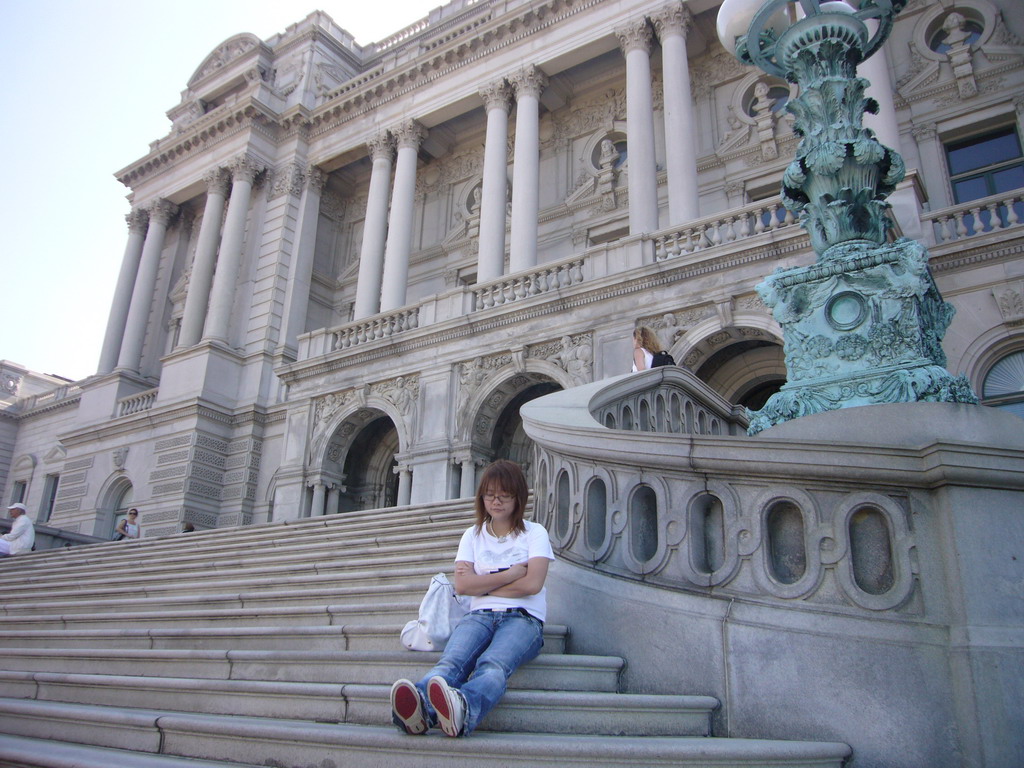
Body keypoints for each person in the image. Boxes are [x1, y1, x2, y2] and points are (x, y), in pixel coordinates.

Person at [390, 459, 554, 738]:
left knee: (493, 665)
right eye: (489, 494)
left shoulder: (534, 532)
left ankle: (464, 706)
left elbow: (532, 584)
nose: (496, 501)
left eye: (504, 495)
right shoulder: (472, 535)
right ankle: (417, 709)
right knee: (450, 664)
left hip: (524, 619)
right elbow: (463, 585)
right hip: (478, 615)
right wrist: (510, 574)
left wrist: (483, 584)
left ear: (518, 497)